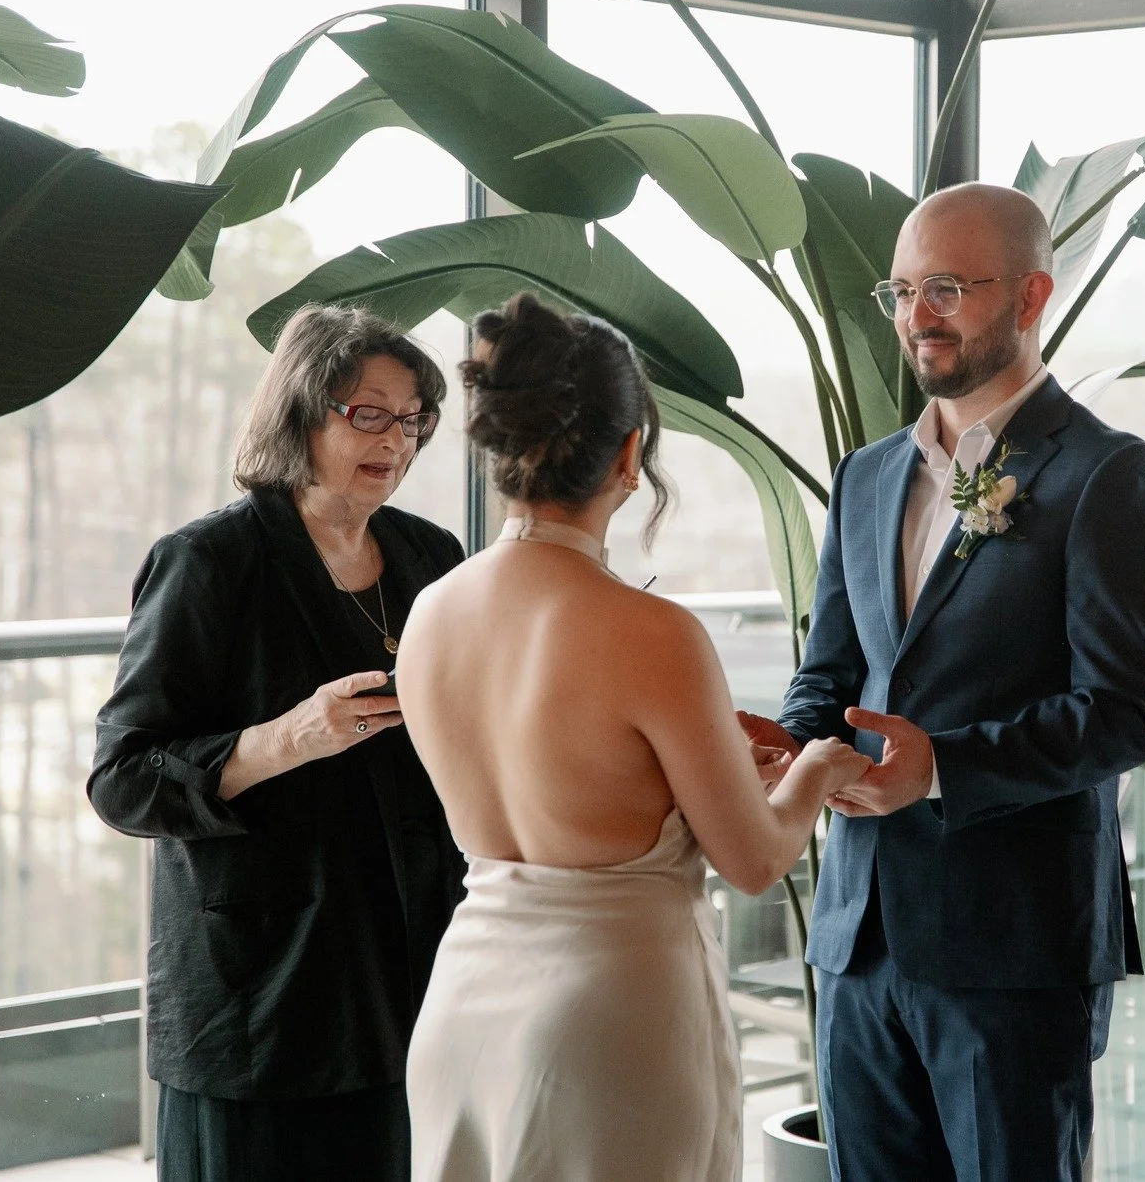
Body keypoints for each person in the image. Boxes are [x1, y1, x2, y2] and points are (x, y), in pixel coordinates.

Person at [742, 183, 1145, 1182]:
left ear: (1030, 296)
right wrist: (787, 747)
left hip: (1013, 948)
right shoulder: (864, 476)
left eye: (945, 286)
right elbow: (831, 669)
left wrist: (938, 765)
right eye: (900, 289)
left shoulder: (1111, 478)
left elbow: (1128, 711)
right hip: (856, 941)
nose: (916, 314)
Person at [396, 292, 869, 1182]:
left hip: (464, 1009)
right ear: (627, 455)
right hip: (608, 1025)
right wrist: (813, 768)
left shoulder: (431, 612)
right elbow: (756, 859)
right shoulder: (653, 633)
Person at [88, 305, 467, 1182]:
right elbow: (121, 778)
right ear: (301, 412)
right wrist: (285, 739)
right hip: (265, 993)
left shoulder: (432, 557)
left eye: (413, 418)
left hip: (413, 971)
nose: (396, 438)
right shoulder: (209, 561)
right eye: (368, 412)